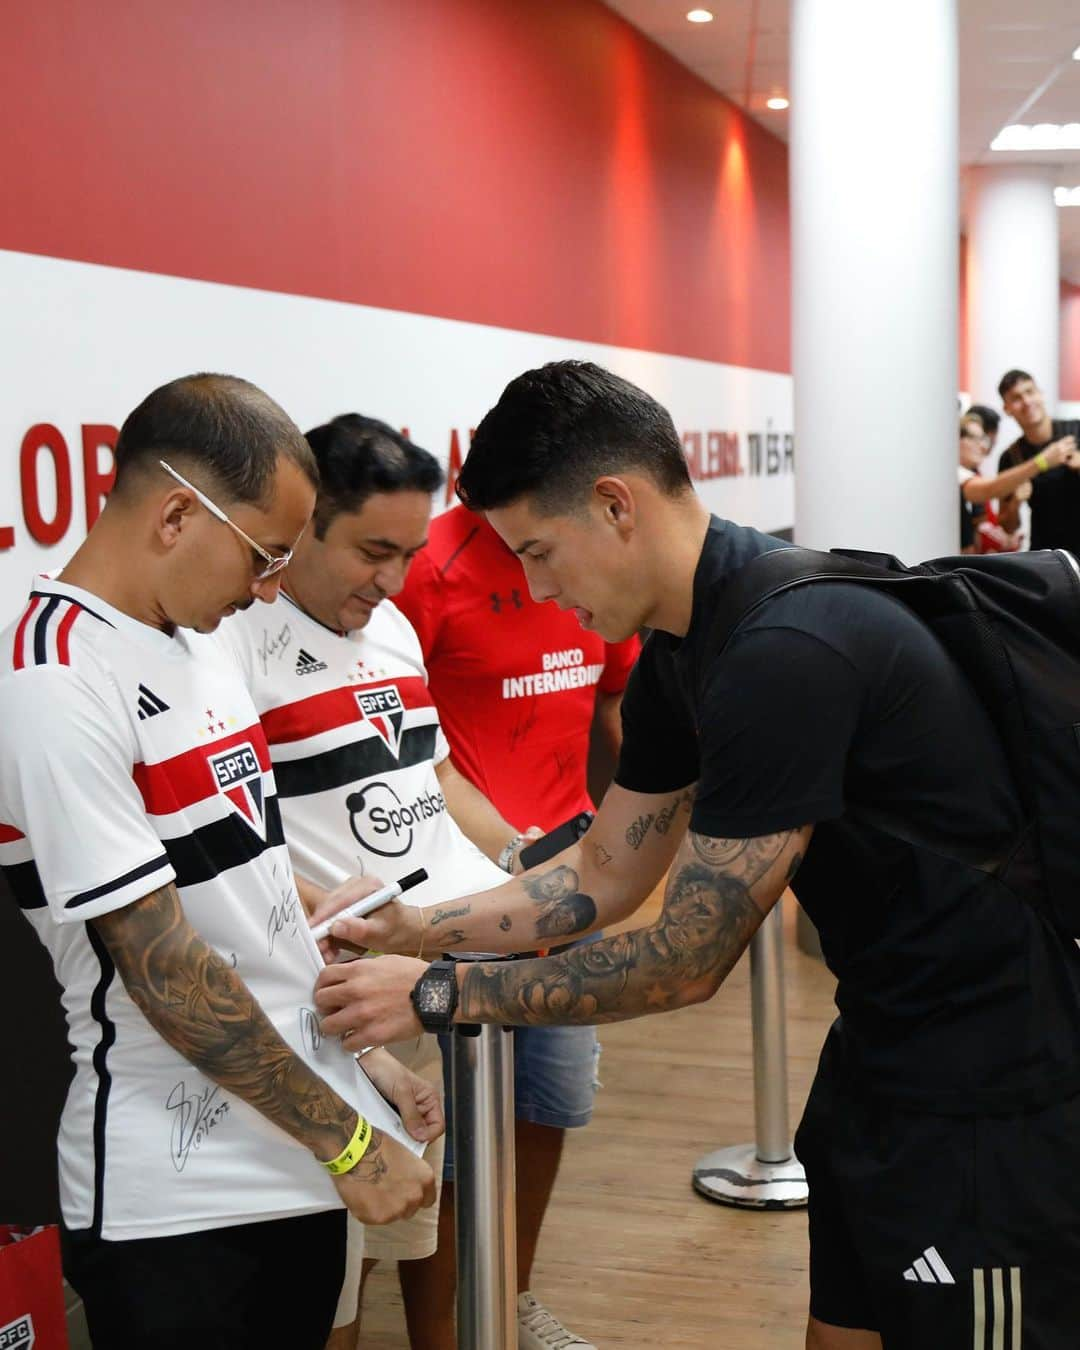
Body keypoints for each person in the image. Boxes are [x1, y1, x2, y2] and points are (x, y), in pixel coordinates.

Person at [313, 361, 1080, 1350]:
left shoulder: (787, 650)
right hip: (881, 1057)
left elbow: (683, 959)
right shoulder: (688, 648)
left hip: (991, 1090)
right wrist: (417, 927)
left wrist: (435, 990)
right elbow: (602, 874)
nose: (539, 589)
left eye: (542, 552)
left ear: (615, 505)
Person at [0, 376, 434, 1350]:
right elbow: (164, 966)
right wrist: (350, 1141)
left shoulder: (206, 635)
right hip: (175, 1189)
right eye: (264, 554)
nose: (271, 587)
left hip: (299, 1139)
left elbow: (253, 901)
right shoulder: (50, 674)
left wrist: (359, 1066)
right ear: (175, 516)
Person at [213, 413, 555, 1350]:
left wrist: (531, 866)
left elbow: (434, 780)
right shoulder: (237, 647)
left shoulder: (396, 627)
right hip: (347, 996)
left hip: (457, 956)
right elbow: (235, 846)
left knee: (435, 1215)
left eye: (408, 553)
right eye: (372, 551)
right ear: (304, 521)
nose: (392, 580)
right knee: (343, 1265)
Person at [396, 498, 639, 1350]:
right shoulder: (428, 568)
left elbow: (614, 709)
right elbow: (404, 748)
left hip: (573, 898)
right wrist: (505, 855)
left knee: (549, 1108)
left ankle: (512, 1298)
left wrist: (616, 852)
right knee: (455, 1146)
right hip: (463, 901)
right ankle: (443, 1334)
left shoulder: (598, 556)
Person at [996, 369, 1080, 550]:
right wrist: (1015, 503)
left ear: (1040, 394)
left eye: (1030, 392)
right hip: (1047, 557)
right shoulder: (1011, 457)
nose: (1026, 402)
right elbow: (1007, 526)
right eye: (1016, 398)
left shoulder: (1076, 431)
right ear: (1007, 408)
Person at [956, 413, 1059, 553]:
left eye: (984, 439)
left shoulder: (975, 474)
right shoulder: (956, 475)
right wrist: (1041, 462)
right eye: (974, 438)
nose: (983, 447)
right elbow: (990, 489)